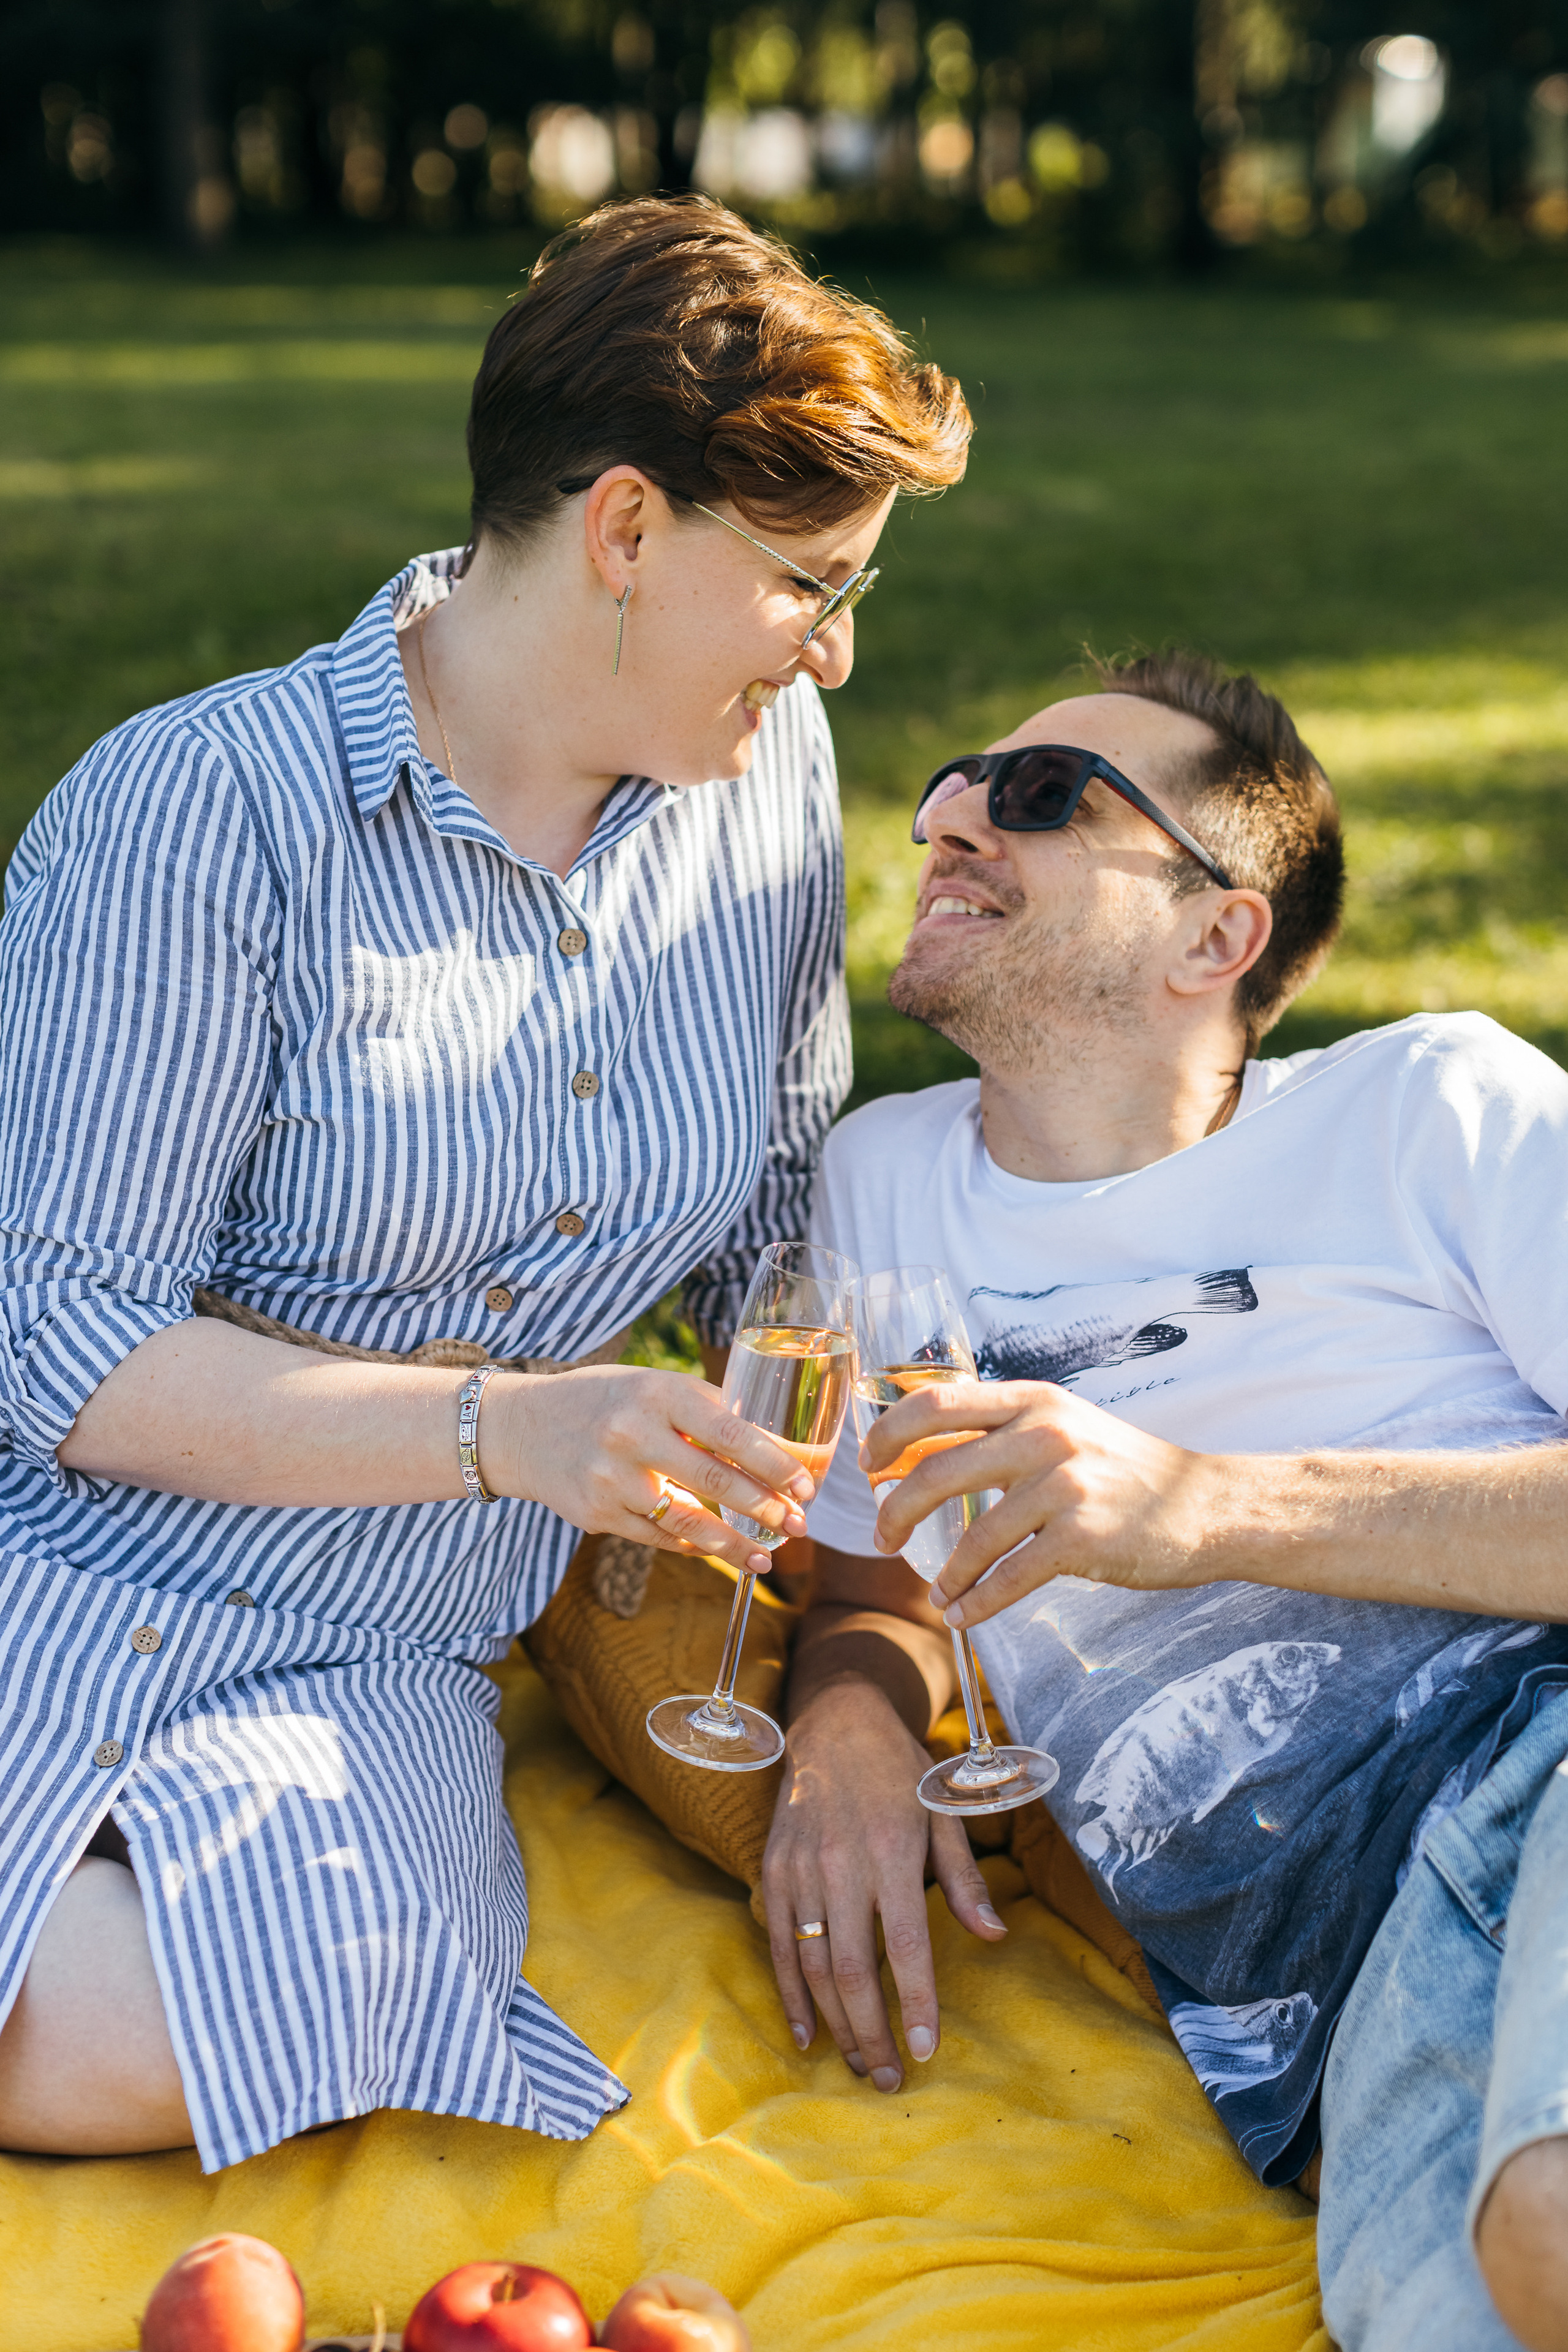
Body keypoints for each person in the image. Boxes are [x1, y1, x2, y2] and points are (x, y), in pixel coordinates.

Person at [0, 195, 970, 2172]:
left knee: (276, 2020)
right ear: (624, 530)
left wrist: (872, 1648)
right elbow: (64, 1351)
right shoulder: (200, 816)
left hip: (378, 1642)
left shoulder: (759, 780)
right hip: (61, 1563)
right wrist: (501, 1422)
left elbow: (789, 1209)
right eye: (804, 585)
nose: (842, 657)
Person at [763, 650, 1568, 2352]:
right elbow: (870, 1594)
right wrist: (847, 1730)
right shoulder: (882, 1183)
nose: (959, 813)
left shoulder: (1431, 1108)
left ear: (1221, 935)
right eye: (964, 783)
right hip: (1342, 2016)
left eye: (1051, 797)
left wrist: (1204, 1506)